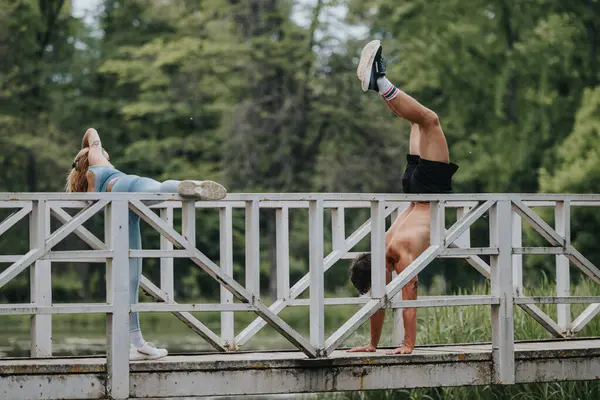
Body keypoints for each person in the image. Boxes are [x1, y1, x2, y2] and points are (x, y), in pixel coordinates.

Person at [66, 128, 227, 360]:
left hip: (124, 211)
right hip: (129, 187)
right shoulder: (98, 161)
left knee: (132, 275)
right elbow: (92, 132)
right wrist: (86, 148)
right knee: (161, 189)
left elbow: (91, 205)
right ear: (91, 157)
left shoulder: (91, 184)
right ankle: (188, 186)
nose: (108, 157)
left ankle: (136, 343)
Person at [347, 40, 458, 355]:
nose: (383, 291)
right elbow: (380, 302)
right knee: (417, 120)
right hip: (412, 190)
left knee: (428, 119)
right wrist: (372, 344)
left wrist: (408, 345)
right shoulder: (381, 248)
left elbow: (410, 294)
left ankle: (379, 81)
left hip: (427, 193)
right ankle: (378, 82)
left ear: (379, 272)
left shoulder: (399, 249)